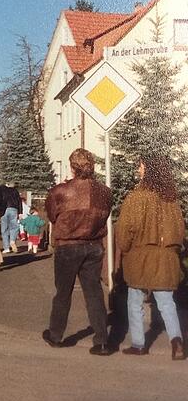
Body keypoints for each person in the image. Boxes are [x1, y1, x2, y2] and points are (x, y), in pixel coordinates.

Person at [44, 148, 114, 356]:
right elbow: (105, 214)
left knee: (63, 292)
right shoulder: (104, 192)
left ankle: (56, 335)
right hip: (93, 245)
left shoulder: (60, 191)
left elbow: (52, 215)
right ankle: (102, 341)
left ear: (73, 167)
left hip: (68, 245)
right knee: (93, 292)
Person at [115, 155, 185, 360]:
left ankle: (138, 344)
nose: (139, 170)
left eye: (142, 166)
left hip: (141, 255)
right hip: (166, 257)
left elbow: (126, 227)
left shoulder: (137, 197)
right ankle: (176, 341)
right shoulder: (171, 199)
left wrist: (125, 248)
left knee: (134, 299)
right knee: (166, 301)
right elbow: (180, 229)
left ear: (150, 170)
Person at [1, 182, 22, 254]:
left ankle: (6, 248)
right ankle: (12, 240)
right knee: (14, 227)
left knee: (4, 229)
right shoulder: (15, 191)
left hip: (3, 210)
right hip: (14, 209)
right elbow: (19, 201)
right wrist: (20, 212)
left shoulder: (2, 190)